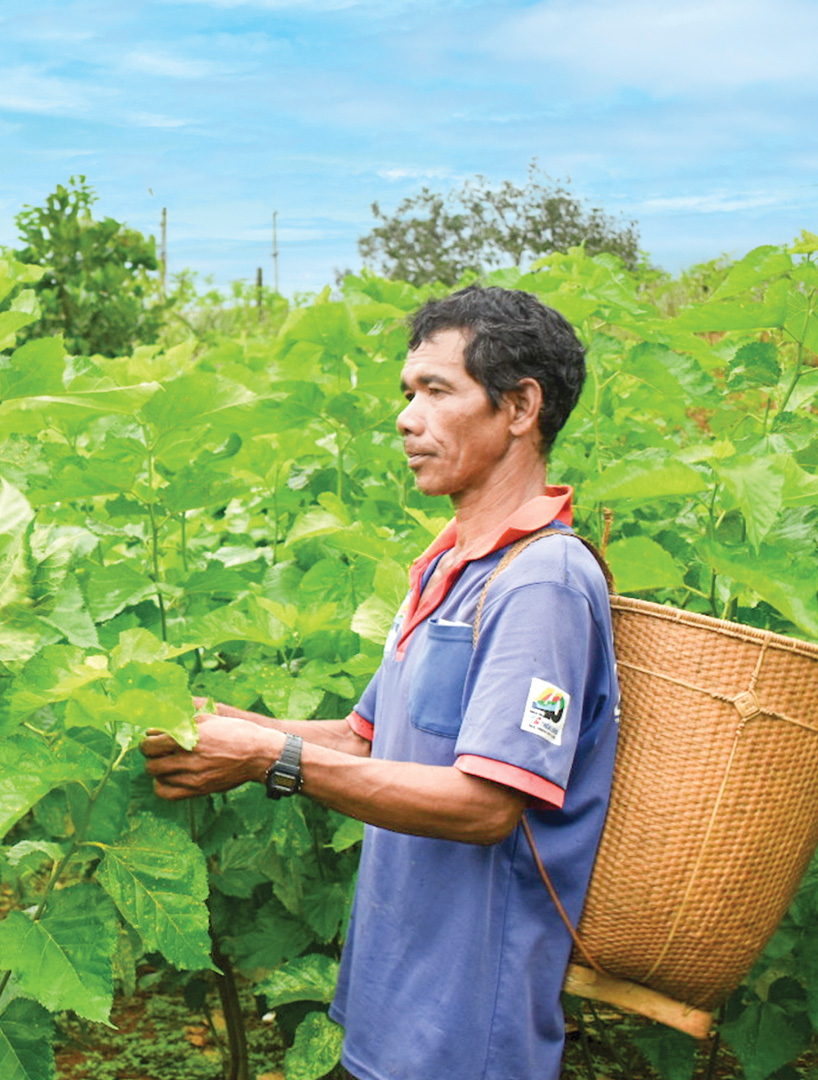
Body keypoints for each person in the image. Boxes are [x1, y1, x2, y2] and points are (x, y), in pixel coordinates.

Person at [141, 285, 620, 1080]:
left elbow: (486, 805)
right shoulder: (449, 563)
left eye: (437, 391)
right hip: (391, 1007)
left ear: (520, 407)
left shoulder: (543, 583)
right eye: (408, 394)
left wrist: (268, 760)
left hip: (467, 1032)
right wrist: (220, 722)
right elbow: (369, 738)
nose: (406, 418)